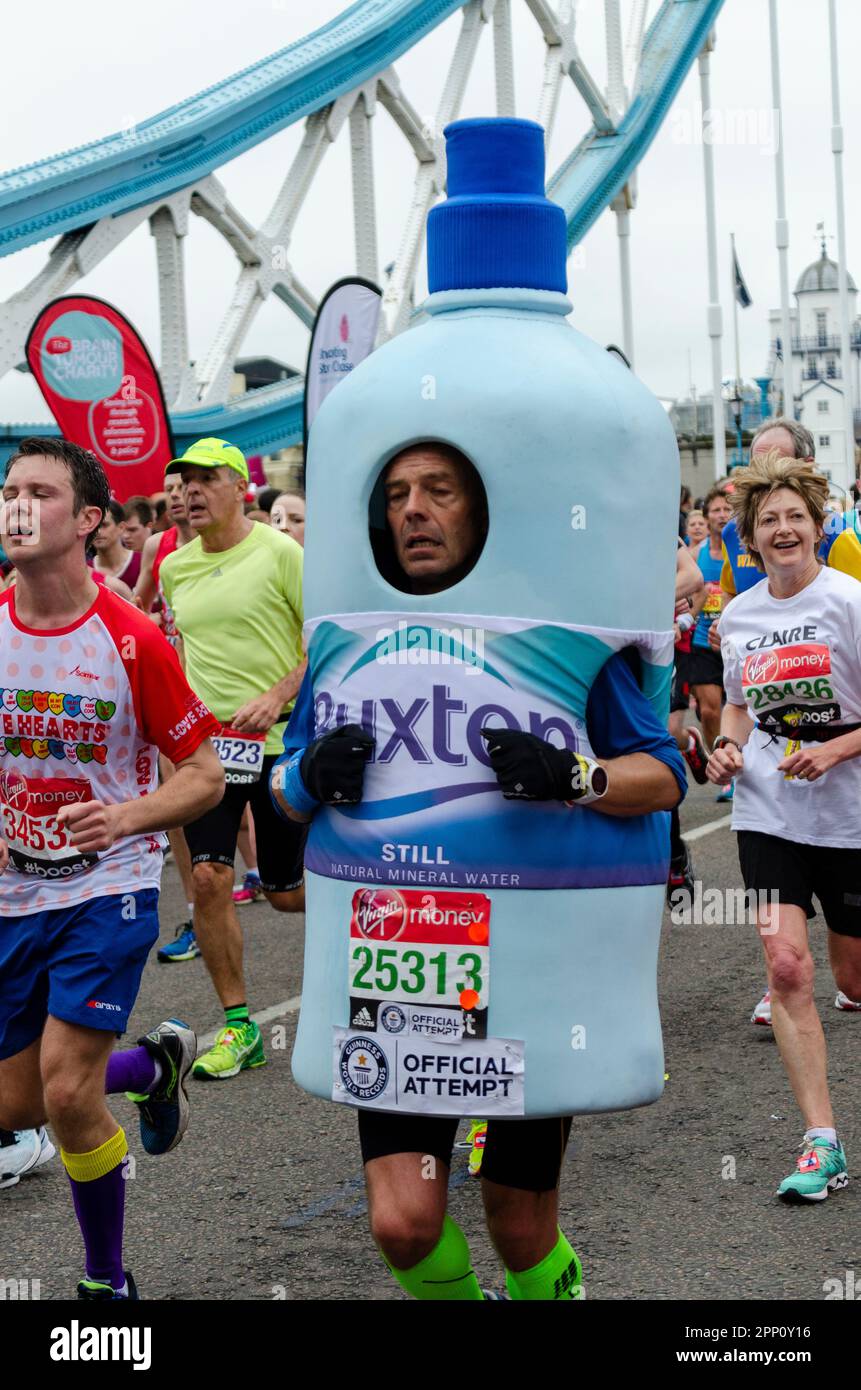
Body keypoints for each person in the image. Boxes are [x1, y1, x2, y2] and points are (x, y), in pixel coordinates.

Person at [272, 442, 685, 1300]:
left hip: (525, 964)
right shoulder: (344, 639)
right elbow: (282, 790)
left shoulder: (567, 640)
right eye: (394, 494)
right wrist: (308, 777)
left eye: (438, 491)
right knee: (402, 1224)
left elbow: (665, 776)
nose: (412, 510)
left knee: (520, 1225)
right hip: (399, 963)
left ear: (482, 510)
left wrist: (576, 776)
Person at [0, 437, 223, 1295]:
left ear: (90, 520)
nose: (18, 506)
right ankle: (152, 1067)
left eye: (40, 493)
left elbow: (205, 773)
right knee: (17, 1109)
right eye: (9, 490)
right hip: (17, 890)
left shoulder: (129, 642)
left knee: (63, 1096)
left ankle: (106, 1282)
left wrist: (125, 818)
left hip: (108, 887)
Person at [707, 450, 861, 1202]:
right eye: (767, 520)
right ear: (750, 537)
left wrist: (836, 747)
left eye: (794, 516)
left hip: (850, 816)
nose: (782, 529)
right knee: (789, 967)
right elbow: (736, 704)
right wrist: (727, 745)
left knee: (851, 975)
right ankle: (821, 1144)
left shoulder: (849, 603)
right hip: (767, 812)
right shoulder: (738, 616)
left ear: (819, 526)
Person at [159, 437, 307, 1080]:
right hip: (211, 754)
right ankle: (240, 1026)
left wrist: (276, 695)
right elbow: (189, 652)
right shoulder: (174, 567)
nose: (189, 492)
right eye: (182, 482)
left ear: (237, 486)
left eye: (202, 480)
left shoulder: (281, 552)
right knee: (209, 880)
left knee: (286, 895)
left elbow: (325, 642)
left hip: (279, 742)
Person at [132, 470, 200, 960]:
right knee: (178, 802)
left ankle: (268, 875)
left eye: (186, 488)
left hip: (232, 699)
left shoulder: (242, 548)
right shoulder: (161, 547)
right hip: (177, 690)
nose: (178, 496)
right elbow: (140, 603)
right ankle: (200, 911)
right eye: (172, 490)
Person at [687, 486, 733, 797]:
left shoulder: (741, 551)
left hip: (733, 643)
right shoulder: (695, 554)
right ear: (707, 516)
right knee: (710, 711)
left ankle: (738, 755)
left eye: (726, 510)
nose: (721, 515)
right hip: (702, 641)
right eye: (715, 510)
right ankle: (723, 769)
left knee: (739, 708)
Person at [90, 500, 142, 589]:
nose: (98, 532)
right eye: (94, 526)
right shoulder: (85, 572)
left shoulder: (142, 563)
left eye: (104, 525)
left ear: (121, 527)